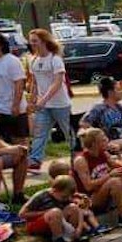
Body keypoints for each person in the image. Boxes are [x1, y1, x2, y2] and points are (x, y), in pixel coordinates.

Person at [72, 128, 122, 226]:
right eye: (103, 140)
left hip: (105, 190)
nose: (107, 140)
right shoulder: (81, 161)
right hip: (90, 199)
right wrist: (110, 175)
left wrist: (118, 154)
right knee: (114, 181)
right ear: (94, 144)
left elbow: (121, 168)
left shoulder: (103, 153)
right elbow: (88, 186)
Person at [26, 29, 74, 169]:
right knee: (40, 132)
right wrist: (32, 99)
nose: (32, 44)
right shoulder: (33, 60)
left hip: (60, 104)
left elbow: (57, 82)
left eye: (35, 41)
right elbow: (34, 82)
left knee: (69, 132)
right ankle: (35, 160)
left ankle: (77, 156)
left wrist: (44, 99)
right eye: (31, 41)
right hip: (43, 106)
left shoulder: (55, 59)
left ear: (44, 41)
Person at [80, 77, 122, 168]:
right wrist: (101, 139)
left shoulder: (120, 108)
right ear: (110, 92)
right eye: (118, 89)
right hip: (107, 141)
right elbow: (84, 123)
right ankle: (121, 168)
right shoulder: (99, 108)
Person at [18, 175, 91, 242]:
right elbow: (22, 214)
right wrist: (45, 212)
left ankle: (73, 235)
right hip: (38, 223)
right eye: (64, 197)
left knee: (73, 207)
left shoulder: (66, 196)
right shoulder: (41, 196)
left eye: (68, 197)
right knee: (55, 212)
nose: (66, 199)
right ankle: (58, 239)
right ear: (54, 190)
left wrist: (79, 228)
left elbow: (79, 210)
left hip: (58, 221)